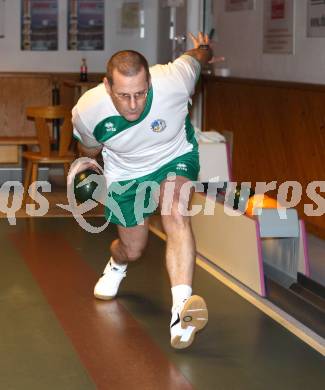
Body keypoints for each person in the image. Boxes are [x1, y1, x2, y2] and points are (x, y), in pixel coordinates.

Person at [70, 32, 219, 349]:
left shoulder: (174, 80)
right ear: (107, 86)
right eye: (124, 96)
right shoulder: (88, 110)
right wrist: (86, 169)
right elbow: (87, 147)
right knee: (132, 248)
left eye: (140, 93)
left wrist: (204, 47)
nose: (134, 104)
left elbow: (198, 57)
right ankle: (117, 264)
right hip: (125, 173)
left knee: (175, 213)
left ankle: (181, 314)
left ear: (150, 81)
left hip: (175, 157)